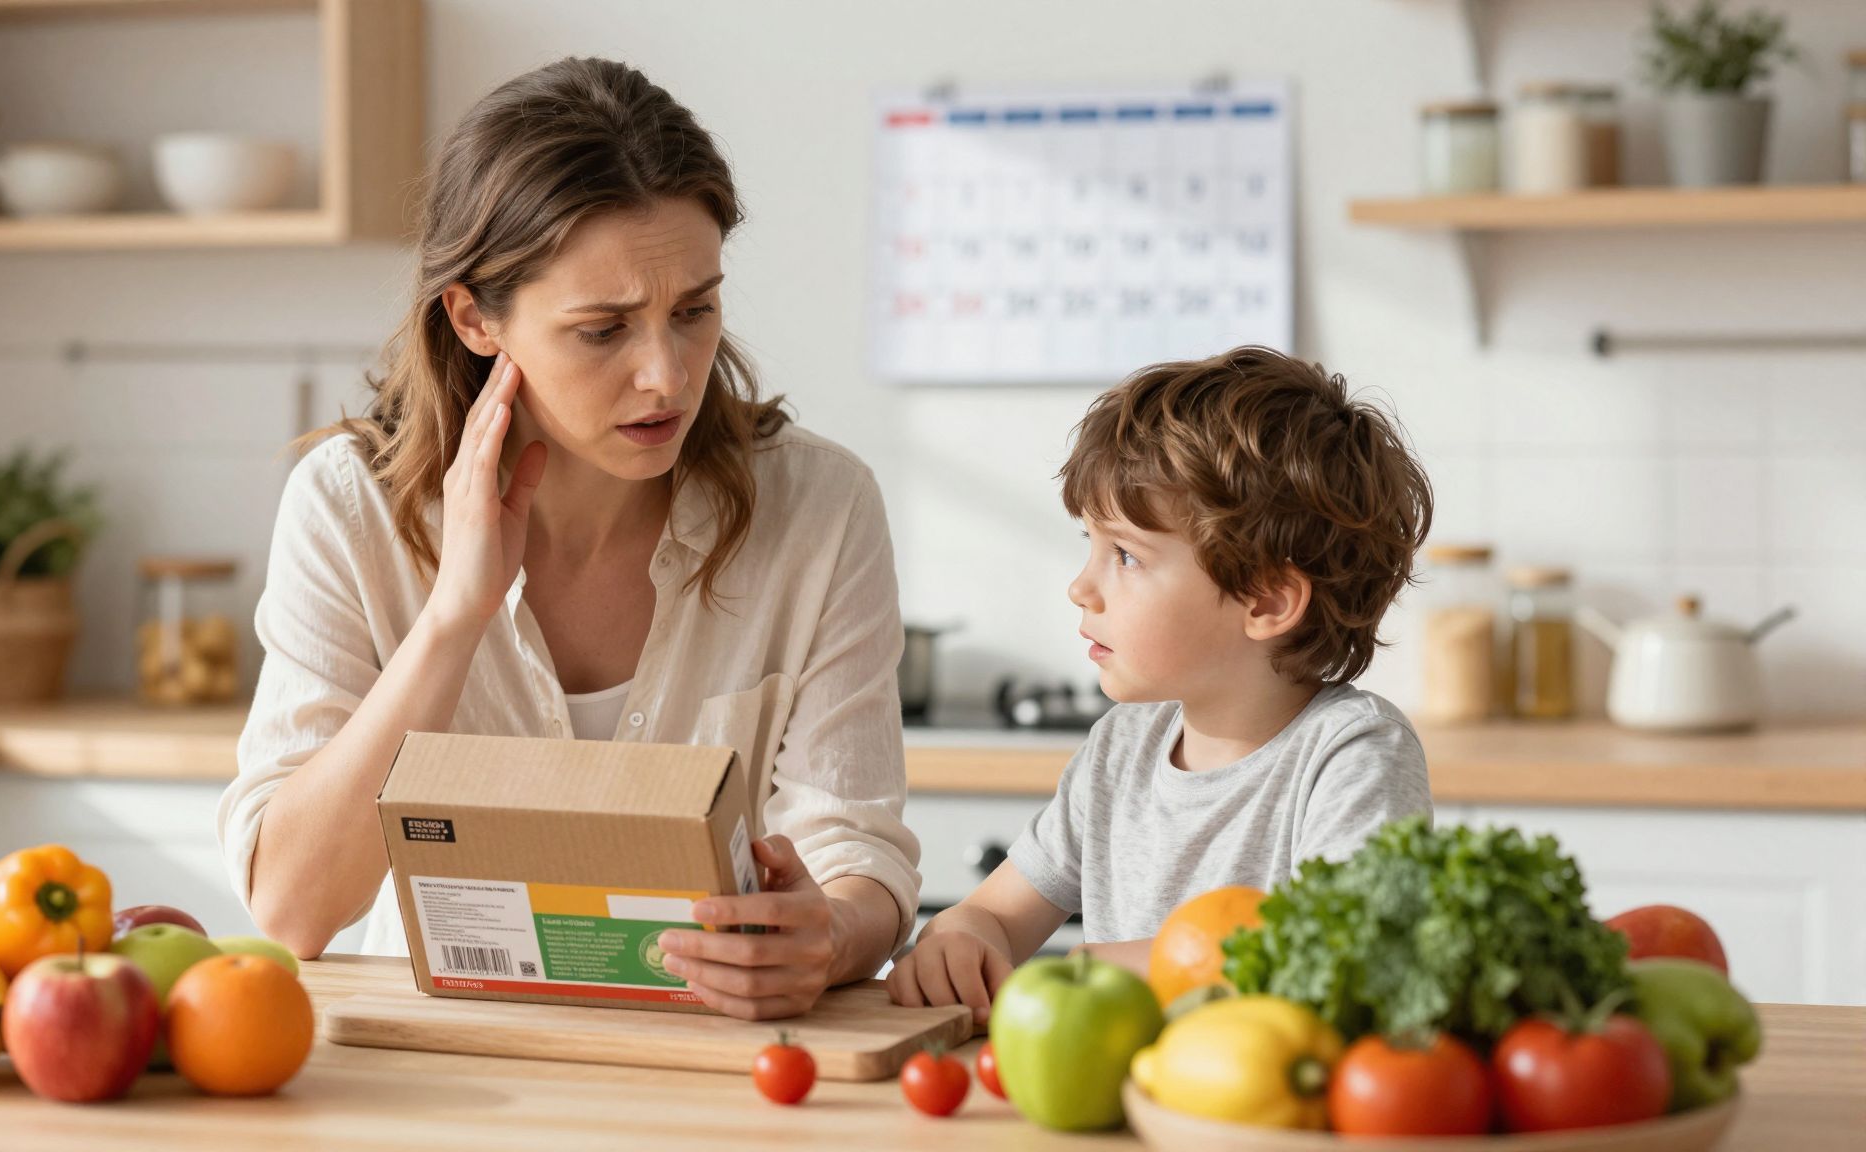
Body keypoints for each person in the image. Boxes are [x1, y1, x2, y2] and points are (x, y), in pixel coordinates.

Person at [219, 58, 920, 1021]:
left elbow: (857, 851)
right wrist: (455, 617)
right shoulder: (350, 510)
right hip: (435, 1079)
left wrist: (832, 935)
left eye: (694, 310)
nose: (667, 378)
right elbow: (290, 910)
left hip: (717, 1073)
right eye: (603, 331)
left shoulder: (821, 508)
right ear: (473, 317)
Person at [889, 346, 1435, 1024]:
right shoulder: (1122, 746)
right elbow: (996, 915)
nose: (1080, 587)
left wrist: (1083, 970)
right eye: (1088, 543)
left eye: (1124, 555)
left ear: (1265, 600)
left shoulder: (1353, 755)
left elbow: (1342, 951)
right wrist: (964, 936)